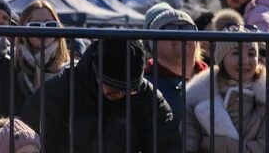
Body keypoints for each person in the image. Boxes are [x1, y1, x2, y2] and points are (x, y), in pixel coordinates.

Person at [20, 36, 179, 152]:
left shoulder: (148, 98)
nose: (121, 95)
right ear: (96, 76)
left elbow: (167, 145)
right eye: (113, 90)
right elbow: (27, 136)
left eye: (129, 91)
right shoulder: (61, 90)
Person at [183, 29, 269, 152]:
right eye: (236, 53)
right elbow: (188, 146)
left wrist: (216, 144)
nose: (245, 61)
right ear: (222, 59)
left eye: (252, 54)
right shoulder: (197, 95)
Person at [142, 4, 205, 134]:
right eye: (169, 29)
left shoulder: (216, 80)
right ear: (154, 43)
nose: (180, 33)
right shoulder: (143, 88)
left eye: (187, 28)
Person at [12, 1, 70, 112]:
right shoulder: (9, 64)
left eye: (50, 25)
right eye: (35, 25)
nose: (43, 30)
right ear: (23, 29)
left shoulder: (71, 69)